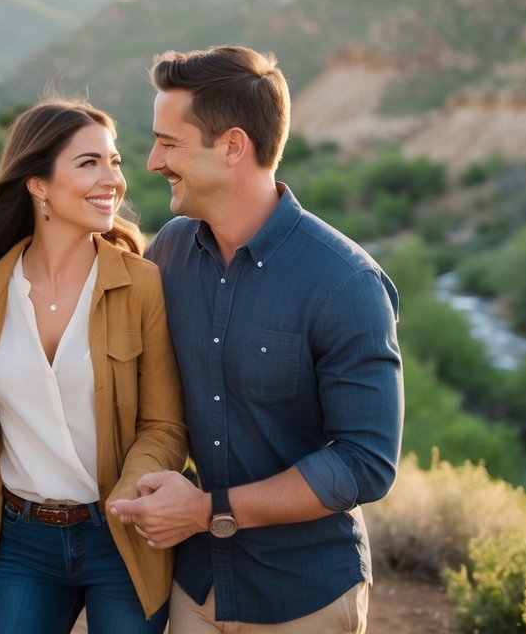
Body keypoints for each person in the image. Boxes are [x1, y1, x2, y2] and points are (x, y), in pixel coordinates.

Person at [108, 46, 403, 633]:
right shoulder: (168, 252)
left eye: (169, 143)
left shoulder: (346, 283)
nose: (151, 161)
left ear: (233, 147)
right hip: (196, 587)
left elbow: (365, 462)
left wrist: (205, 511)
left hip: (305, 597)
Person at [0, 99, 187, 634]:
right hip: (21, 541)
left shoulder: (142, 285)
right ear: (38, 184)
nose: (112, 178)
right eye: (89, 163)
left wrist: (130, 495)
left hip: (121, 536)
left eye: (114, 162)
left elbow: (165, 426)